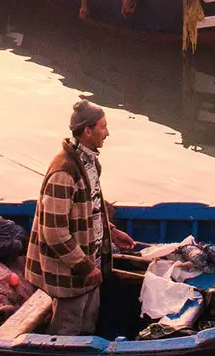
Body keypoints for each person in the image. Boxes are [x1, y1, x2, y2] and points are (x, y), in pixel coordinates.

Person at [25, 98, 138, 336]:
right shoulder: (64, 172)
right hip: (70, 272)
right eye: (103, 127)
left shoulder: (90, 163)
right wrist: (85, 266)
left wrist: (111, 232)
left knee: (88, 324)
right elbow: (54, 232)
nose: (107, 133)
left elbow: (89, 209)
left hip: (90, 264)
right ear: (87, 130)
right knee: (68, 328)